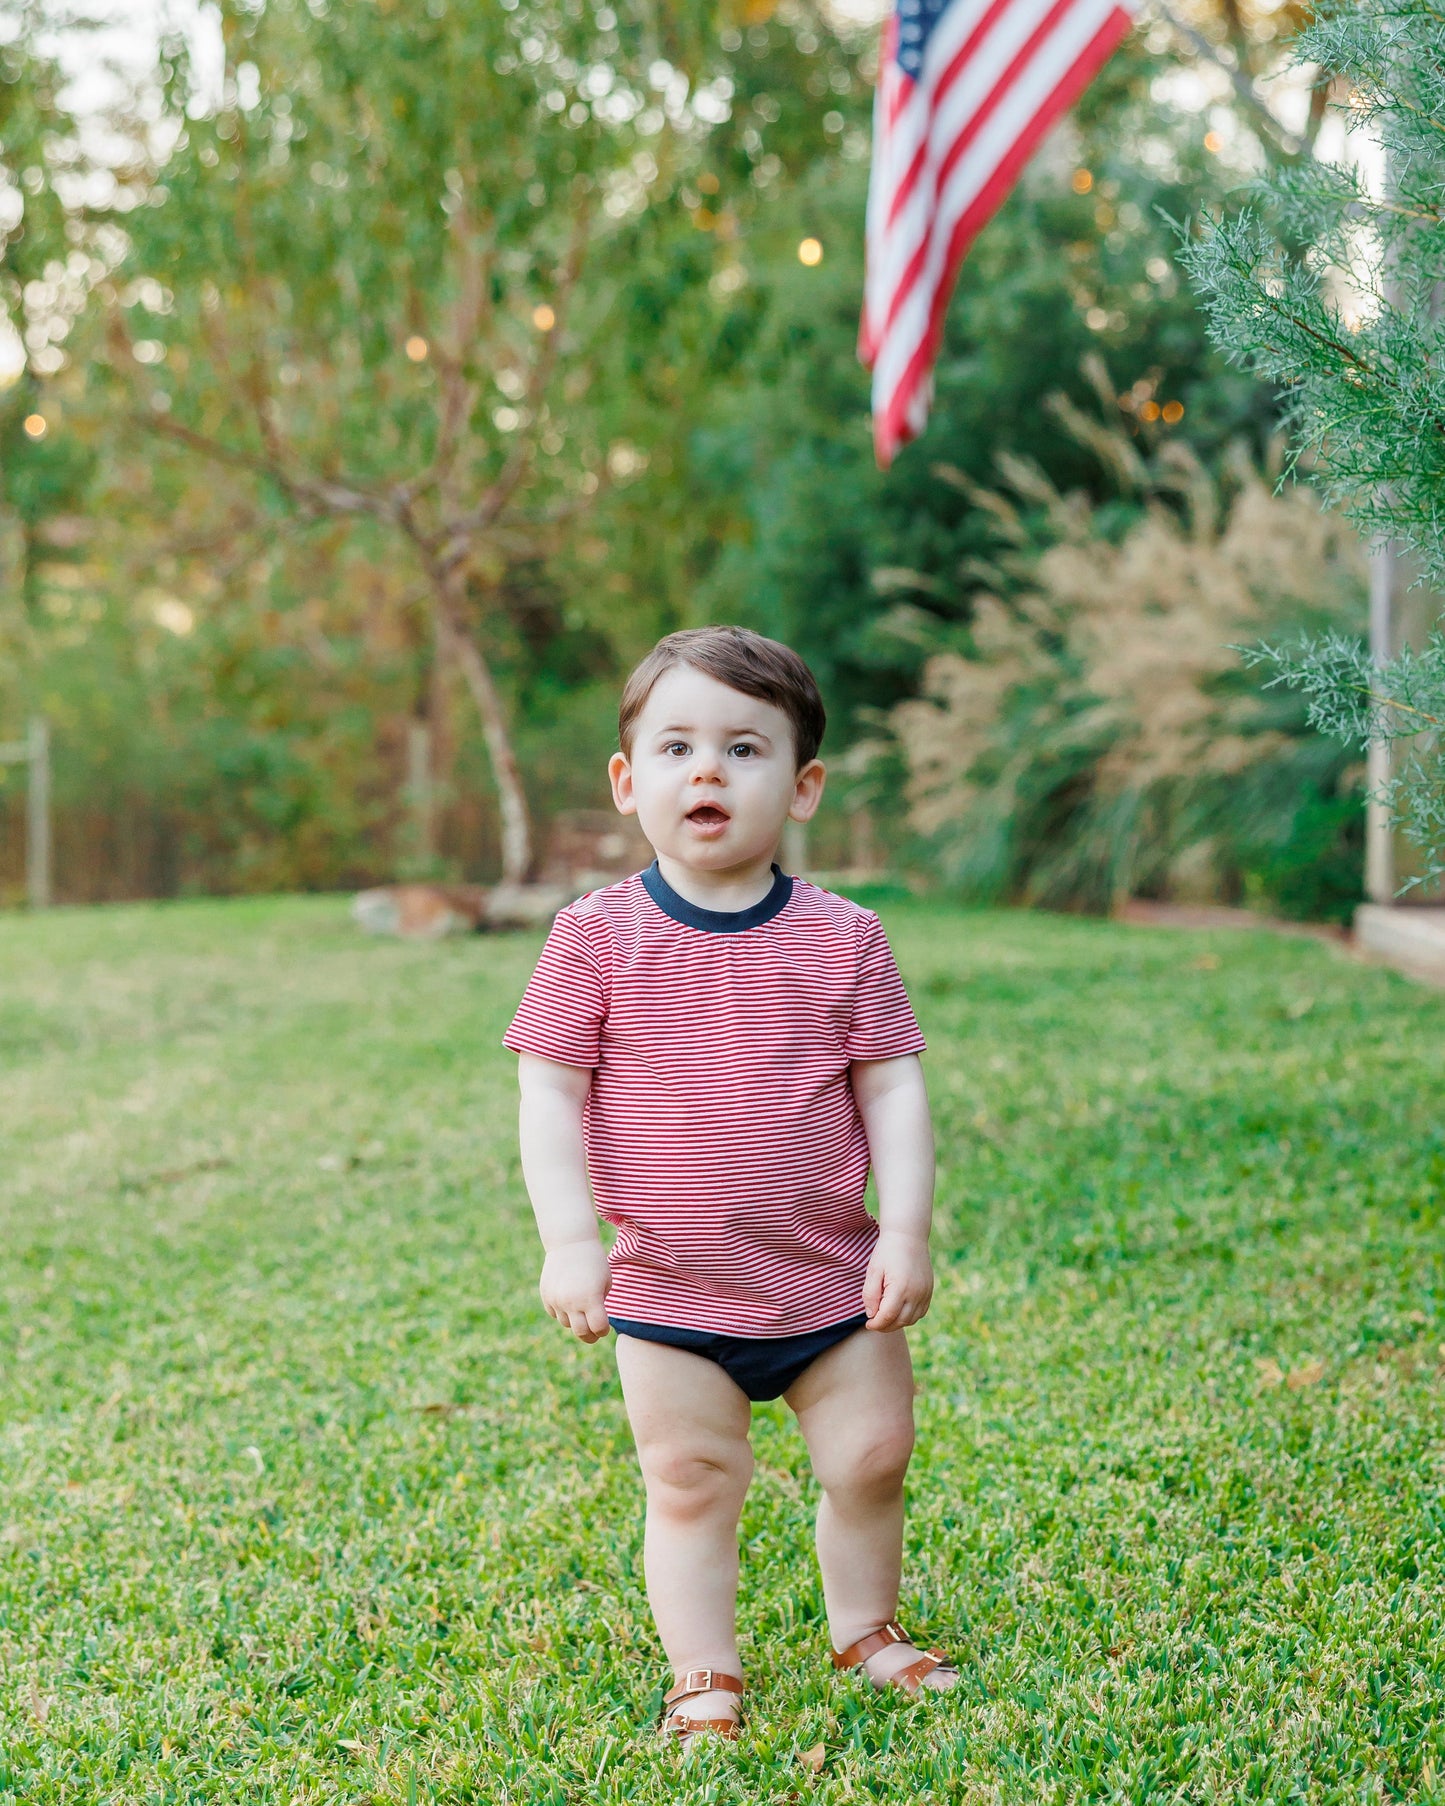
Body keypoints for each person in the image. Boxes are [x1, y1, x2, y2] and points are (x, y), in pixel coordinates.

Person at [503, 625, 957, 1749]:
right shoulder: (594, 937)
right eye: (677, 748)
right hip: (670, 1286)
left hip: (831, 1281)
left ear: (802, 787)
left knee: (870, 1459)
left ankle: (863, 1628)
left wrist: (905, 1231)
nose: (706, 770)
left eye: (744, 749)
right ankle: (703, 1671)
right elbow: (548, 1093)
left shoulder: (844, 938)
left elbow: (891, 1087)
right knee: (690, 1479)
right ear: (628, 782)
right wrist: (569, 1242)